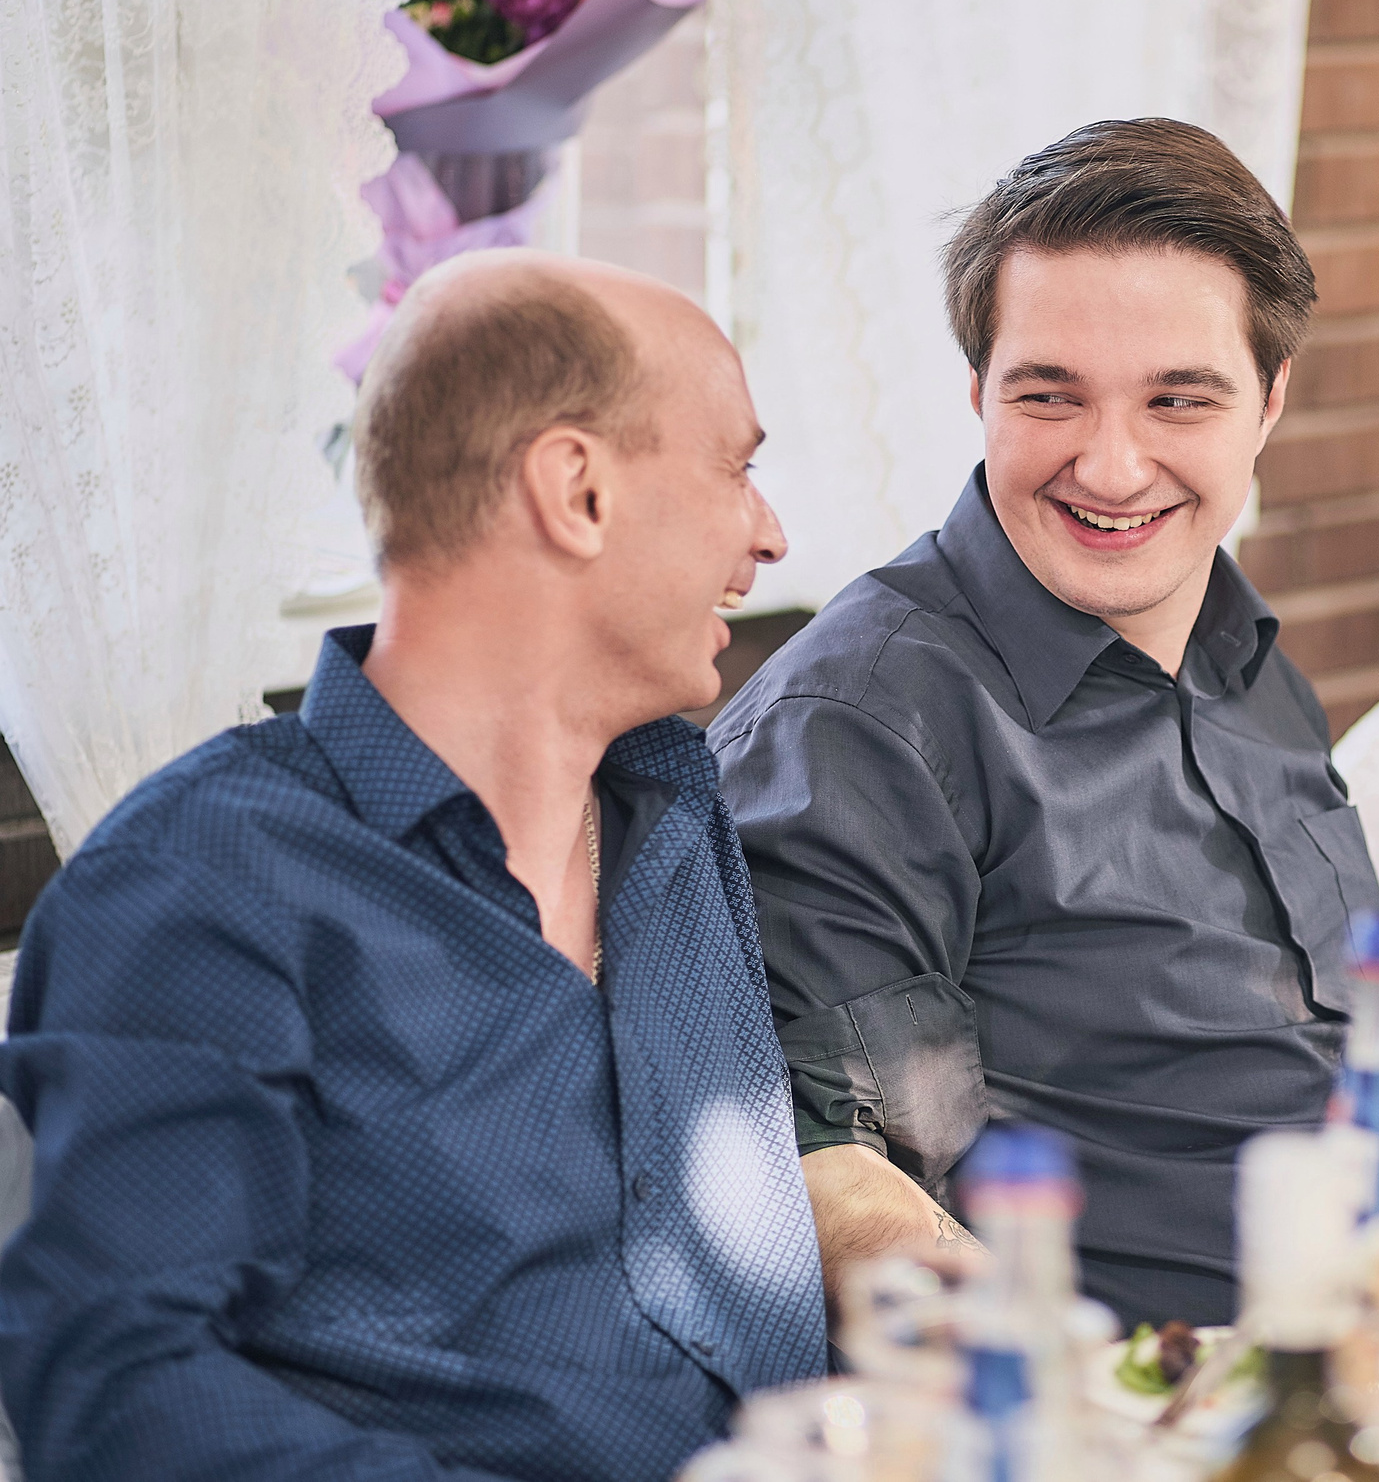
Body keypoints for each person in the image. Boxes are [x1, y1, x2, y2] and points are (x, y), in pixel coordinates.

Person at [0, 251, 826, 1480]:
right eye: (737, 466)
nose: (769, 531)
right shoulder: (201, 879)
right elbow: (120, 1390)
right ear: (577, 490)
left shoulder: (674, 811)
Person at [711, 118, 1379, 1330]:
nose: (1112, 468)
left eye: (1179, 399)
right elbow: (835, 1184)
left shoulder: (1245, 652)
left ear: (1270, 403)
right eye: (1048, 396)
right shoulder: (861, 727)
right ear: (978, 393)